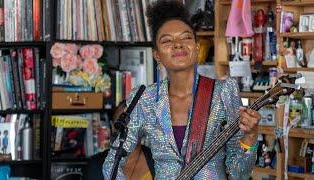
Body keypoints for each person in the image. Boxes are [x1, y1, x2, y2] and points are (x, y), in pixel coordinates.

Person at [103, 1, 261, 179]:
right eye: (167, 40)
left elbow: (240, 173)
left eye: (186, 38)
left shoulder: (223, 92)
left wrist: (250, 136)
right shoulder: (144, 99)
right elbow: (112, 164)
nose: (178, 44)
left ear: (197, 47)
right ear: (156, 55)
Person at [83, 101, 154, 180]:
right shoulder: (95, 166)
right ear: (113, 127)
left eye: (133, 123)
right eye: (122, 122)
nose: (127, 129)